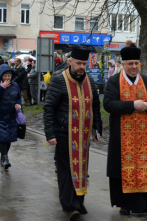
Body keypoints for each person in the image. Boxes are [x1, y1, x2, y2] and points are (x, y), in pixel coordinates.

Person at [104, 47, 147, 216]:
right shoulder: (114, 82)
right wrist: (132, 105)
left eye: (136, 63)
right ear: (122, 64)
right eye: (130, 63)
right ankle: (123, 204)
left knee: (146, 169)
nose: (133, 67)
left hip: (145, 137)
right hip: (121, 137)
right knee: (122, 169)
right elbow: (108, 104)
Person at [44, 46, 102, 220]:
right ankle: (69, 206)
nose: (81, 67)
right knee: (67, 171)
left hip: (83, 136)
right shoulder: (59, 80)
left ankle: (78, 203)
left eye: (84, 63)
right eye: (78, 63)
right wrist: (50, 133)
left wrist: (97, 128)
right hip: (63, 133)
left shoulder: (90, 82)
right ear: (70, 62)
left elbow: (96, 107)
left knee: (82, 169)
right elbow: (49, 108)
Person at [0, 64, 22, 170]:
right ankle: (5, 158)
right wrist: (1, 88)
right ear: (1, 76)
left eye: (9, 76)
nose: (7, 78)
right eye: (5, 76)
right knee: (2, 138)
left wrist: (18, 104)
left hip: (12, 115)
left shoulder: (15, 85)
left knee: (9, 138)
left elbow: (18, 97)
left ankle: (3, 157)